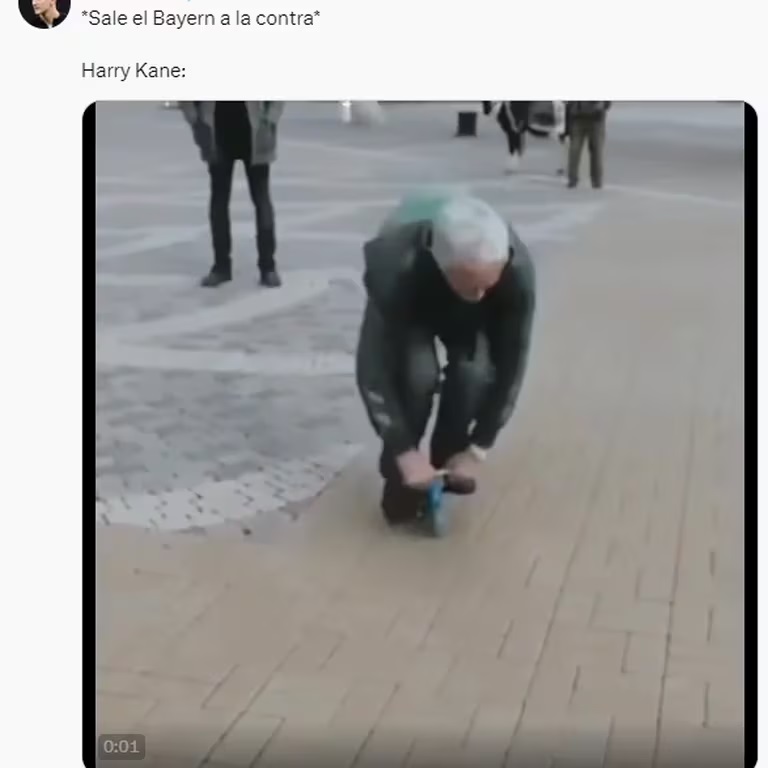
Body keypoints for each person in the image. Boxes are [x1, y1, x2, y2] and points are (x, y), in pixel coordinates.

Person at [355, 192, 536, 524]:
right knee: (418, 376)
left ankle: (446, 462)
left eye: (487, 286)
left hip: (461, 299)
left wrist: (478, 447)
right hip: (415, 297)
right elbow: (372, 368)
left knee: (474, 373)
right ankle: (402, 480)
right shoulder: (394, 266)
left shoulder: (516, 271)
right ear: (442, 264)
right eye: (471, 286)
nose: (479, 295)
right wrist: (402, 449)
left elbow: (513, 363)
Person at [179, 101, 284, 288]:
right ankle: (221, 266)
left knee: (261, 200)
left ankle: (268, 267)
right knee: (219, 201)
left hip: (255, 130)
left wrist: (270, 120)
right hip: (216, 131)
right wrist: (195, 121)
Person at [565, 101, 612, 189]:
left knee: (575, 149)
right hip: (594, 117)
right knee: (596, 150)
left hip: (579, 116)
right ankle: (596, 181)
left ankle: (573, 179)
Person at [482, 102, 531, 173]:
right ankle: (514, 160)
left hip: (514, 114)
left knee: (514, 137)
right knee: (514, 136)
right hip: (513, 114)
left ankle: (513, 161)